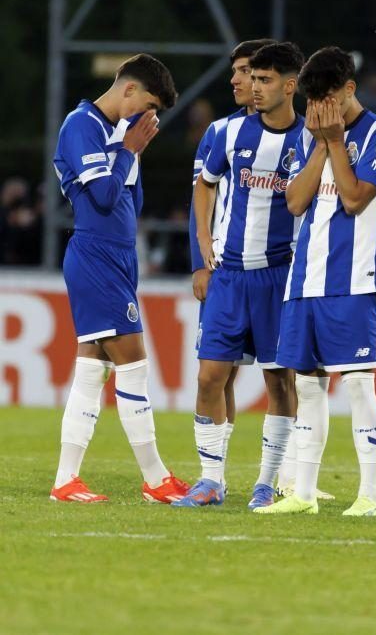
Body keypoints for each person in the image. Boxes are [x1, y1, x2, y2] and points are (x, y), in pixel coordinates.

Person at [255, 45, 376, 516]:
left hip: (352, 278)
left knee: (358, 384)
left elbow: (356, 198)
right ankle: (302, 493)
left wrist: (337, 142)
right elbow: (296, 202)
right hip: (305, 280)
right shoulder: (310, 135)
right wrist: (321, 143)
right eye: (313, 102)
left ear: (349, 89)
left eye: (329, 99)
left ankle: (369, 496)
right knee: (310, 387)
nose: (320, 110)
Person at [49, 54, 189, 503]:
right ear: (128, 89)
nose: (147, 118)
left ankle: (66, 479)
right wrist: (128, 151)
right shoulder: (81, 126)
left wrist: (129, 152)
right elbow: (105, 198)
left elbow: (133, 201)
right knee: (134, 365)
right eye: (146, 105)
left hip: (118, 258)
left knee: (93, 370)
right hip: (96, 256)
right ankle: (154, 478)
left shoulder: (115, 135)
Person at [174, 42, 306, 509]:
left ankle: (267, 482)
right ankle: (211, 480)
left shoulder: (309, 140)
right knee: (211, 377)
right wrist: (204, 249)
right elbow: (204, 186)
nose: (250, 85)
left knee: (279, 381)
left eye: (261, 78)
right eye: (250, 78)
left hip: (278, 276)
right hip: (230, 275)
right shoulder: (225, 133)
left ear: (289, 86)